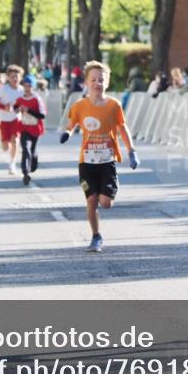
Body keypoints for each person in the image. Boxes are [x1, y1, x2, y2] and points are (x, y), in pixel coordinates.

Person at [60, 61, 139, 253]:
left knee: (106, 203)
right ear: (86, 82)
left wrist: (131, 151)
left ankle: (111, 190)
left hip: (107, 161)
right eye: (93, 80)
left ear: (107, 82)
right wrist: (67, 133)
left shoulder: (114, 105)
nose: (97, 83)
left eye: (101, 80)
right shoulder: (80, 105)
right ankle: (96, 236)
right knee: (91, 200)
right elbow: (72, 124)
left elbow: (122, 128)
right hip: (86, 162)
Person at [15, 74, 46, 186]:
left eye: (29, 86)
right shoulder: (20, 98)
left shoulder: (37, 99)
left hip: (35, 128)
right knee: (26, 149)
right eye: (25, 85)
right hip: (24, 128)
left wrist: (29, 110)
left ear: (33, 87)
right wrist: (18, 109)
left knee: (33, 151)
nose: (27, 88)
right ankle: (25, 173)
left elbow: (42, 115)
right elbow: (15, 108)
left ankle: (33, 163)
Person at [0, 65, 25, 175]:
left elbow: (24, 103)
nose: (15, 79)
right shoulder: (4, 89)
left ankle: (12, 165)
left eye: (17, 76)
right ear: (8, 78)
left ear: (20, 77)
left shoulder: (22, 90)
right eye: (12, 77)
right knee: (5, 146)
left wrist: (20, 109)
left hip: (15, 119)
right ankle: (1, 141)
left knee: (15, 141)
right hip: (3, 119)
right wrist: (4, 107)